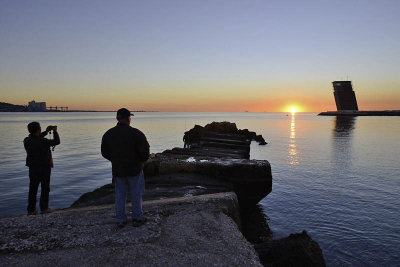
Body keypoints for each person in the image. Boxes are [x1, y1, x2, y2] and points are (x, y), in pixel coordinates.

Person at [101, 108, 150, 228]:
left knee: (120, 195)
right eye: (130, 117)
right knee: (136, 193)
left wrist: (114, 160)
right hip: (134, 169)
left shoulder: (108, 134)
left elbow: (104, 152)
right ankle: (137, 218)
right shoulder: (136, 133)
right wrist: (142, 161)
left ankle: (120, 219)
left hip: (118, 169)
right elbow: (145, 150)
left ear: (117, 118)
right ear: (128, 118)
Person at [24, 122, 60, 215]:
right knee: (45, 188)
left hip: (32, 168)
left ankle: (31, 210)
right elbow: (57, 141)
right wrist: (55, 132)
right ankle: (44, 208)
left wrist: (46, 131)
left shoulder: (27, 140)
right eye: (40, 128)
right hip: (44, 168)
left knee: (33, 189)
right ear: (38, 130)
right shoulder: (43, 141)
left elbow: (37, 138)